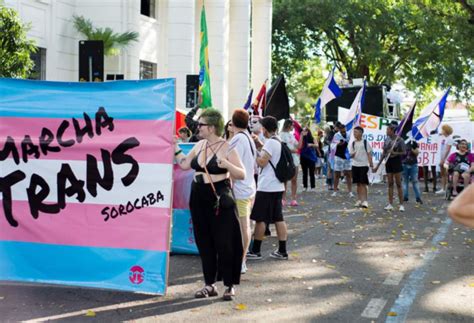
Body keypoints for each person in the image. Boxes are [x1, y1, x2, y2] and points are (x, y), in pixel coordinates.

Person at [174, 108, 245, 301]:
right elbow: (184, 165)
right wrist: (176, 148)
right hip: (198, 196)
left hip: (219, 197)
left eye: (201, 124)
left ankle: (229, 285)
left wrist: (227, 165)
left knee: (225, 242)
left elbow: (242, 174)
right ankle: (209, 284)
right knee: (203, 242)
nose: (198, 127)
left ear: (212, 127)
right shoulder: (199, 145)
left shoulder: (228, 147)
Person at [247, 116, 289, 260]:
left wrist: (253, 153)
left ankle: (255, 250)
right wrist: (259, 145)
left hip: (267, 186)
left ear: (264, 128)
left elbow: (262, 162)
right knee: (278, 218)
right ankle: (282, 250)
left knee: (260, 219)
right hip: (277, 185)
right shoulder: (278, 141)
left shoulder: (270, 142)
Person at [228, 109, 257, 274]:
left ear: (233, 122)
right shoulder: (247, 137)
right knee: (245, 225)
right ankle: (241, 259)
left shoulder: (239, 139)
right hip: (249, 187)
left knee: (244, 226)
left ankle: (241, 260)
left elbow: (234, 165)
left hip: (241, 189)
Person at [374, 123, 406, 212]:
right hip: (388, 162)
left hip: (396, 162)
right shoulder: (387, 139)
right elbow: (383, 153)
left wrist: (395, 153)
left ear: (392, 131)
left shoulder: (400, 140)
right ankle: (390, 204)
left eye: (388, 130)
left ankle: (401, 204)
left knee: (398, 184)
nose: (386, 131)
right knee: (390, 183)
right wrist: (378, 165)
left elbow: (404, 152)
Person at [349, 126, 373, 208]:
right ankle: (359, 200)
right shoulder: (353, 143)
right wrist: (352, 155)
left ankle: (365, 201)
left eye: (356, 132)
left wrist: (371, 164)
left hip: (363, 165)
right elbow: (351, 155)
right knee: (358, 184)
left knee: (363, 183)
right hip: (355, 165)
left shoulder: (365, 142)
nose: (354, 133)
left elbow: (369, 154)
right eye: (354, 132)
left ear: (361, 133)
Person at [280, 119, 301, 206]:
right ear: (288, 125)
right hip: (286, 159)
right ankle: (283, 199)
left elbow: (299, 146)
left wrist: (302, 136)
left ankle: (293, 199)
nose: (293, 127)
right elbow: (283, 148)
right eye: (292, 125)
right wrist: (293, 151)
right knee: (284, 180)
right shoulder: (281, 135)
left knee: (294, 179)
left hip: (295, 160)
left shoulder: (291, 135)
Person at [332, 123, 353, 197]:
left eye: (344, 131)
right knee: (337, 174)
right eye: (342, 131)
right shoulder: (336, 135)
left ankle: (350, 192)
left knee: (348, 174)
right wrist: (338, 144)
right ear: (339, 130)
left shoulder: (349, 135)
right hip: (338, 156)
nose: (343, 133)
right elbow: (332, 145)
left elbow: (352, 144)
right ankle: (335, 191)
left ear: (346, 129)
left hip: (347, 157)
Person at [402, 138, 423, 204]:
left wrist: (411, 148)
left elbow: (417, 153)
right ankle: (405, 197)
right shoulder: (402, 142)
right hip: (404, 164)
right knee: (405, 181)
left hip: (413, 164)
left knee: (415, 181)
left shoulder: (413, 142)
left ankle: (418, 197)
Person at [436, 125, 455, 194]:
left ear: (446, 131)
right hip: (441, 157)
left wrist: (443, 159)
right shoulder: (443, 137)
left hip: (447, 159)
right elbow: (437, 135)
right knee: (442, 174)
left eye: (443, 130)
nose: (441, 131)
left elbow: (447, 150)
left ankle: (446, 188)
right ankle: (443, 188)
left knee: (446, 174)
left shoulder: (450, 139)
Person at [299, 127, 318, 192]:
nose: (304, 132)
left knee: (311, 173)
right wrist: (301, 136)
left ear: (308, 131)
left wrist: (311, 144)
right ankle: (305, 186)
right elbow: (300, 146)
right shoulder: (301, 138)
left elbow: (317, 145)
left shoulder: (312, 138)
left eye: (305, 131)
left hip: (311, 157)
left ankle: (313, 187)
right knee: (304, 173)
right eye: (303, 131)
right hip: (303, 157)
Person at [323, 125, 335, 190]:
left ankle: (330, 184)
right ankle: (331, 184)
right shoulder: (330, 136)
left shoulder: (328, 136)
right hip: (330, 154)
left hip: (330, 154)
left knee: (330, 169)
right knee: (331, 169)